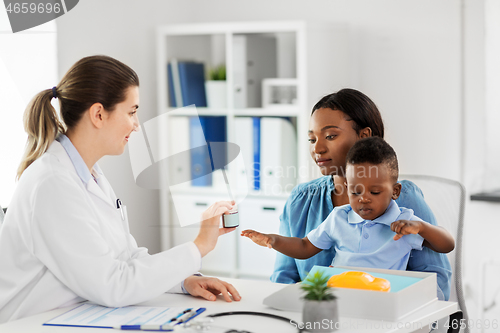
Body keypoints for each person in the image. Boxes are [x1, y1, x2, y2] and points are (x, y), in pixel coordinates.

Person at [0, 55, 240, 323]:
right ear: (99, 114)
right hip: (29, 324)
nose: (136, 125)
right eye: (132, 112)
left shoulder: (89, 174)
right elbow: (113, 285)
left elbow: (126, 258)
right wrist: (200, 246)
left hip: (76, 315)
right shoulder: (52, 183)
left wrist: (183, 280)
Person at [268, 88, 452, 301]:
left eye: (330, 136)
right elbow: (283, 277)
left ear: (364, 136)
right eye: (311, 139)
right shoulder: (301, 199)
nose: (317, 148)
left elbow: (435, 279)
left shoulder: (403, 198)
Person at [242, 137, 455, 273]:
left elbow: (447, 245)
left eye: (375, 192)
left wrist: (422, 228)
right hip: (338, 297)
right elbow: (305, 247)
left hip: (382, 301)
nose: (363, 198)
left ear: (395, 192)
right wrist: (273, 240)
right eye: (355, 191)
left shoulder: (404, 223)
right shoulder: (339, 217)